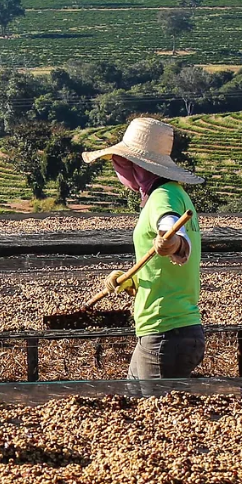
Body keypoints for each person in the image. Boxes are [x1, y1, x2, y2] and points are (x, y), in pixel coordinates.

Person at [81, 117, 205, 380]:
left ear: (136, 166)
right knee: (135, 403)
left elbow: (172, 228)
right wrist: (128, 281)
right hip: (164, 330)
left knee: (158, 415)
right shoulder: (176, 194)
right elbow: (163, 271)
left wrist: (171, 242)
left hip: (166, 332)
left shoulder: (164, 197)